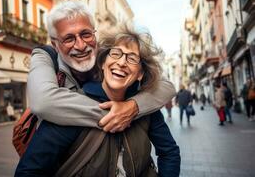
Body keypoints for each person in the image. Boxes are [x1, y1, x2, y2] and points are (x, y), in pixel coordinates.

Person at [15, 24, 180, 177]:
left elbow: (169, 152)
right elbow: (30, 170)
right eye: (116, 53)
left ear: (140, 74)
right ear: (102, 62)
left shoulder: (146, 109)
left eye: (132, 58)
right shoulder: (73, 104)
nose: (121, 62)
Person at [27, 0, 176, 133]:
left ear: (94, 34)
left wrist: (133, 106)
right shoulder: (44, 56)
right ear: (55, 44)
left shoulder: (107, 55)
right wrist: (116, 115)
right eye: (69, 38)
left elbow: (167, 87)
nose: (80, 46)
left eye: (86, 34)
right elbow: (42, 102)